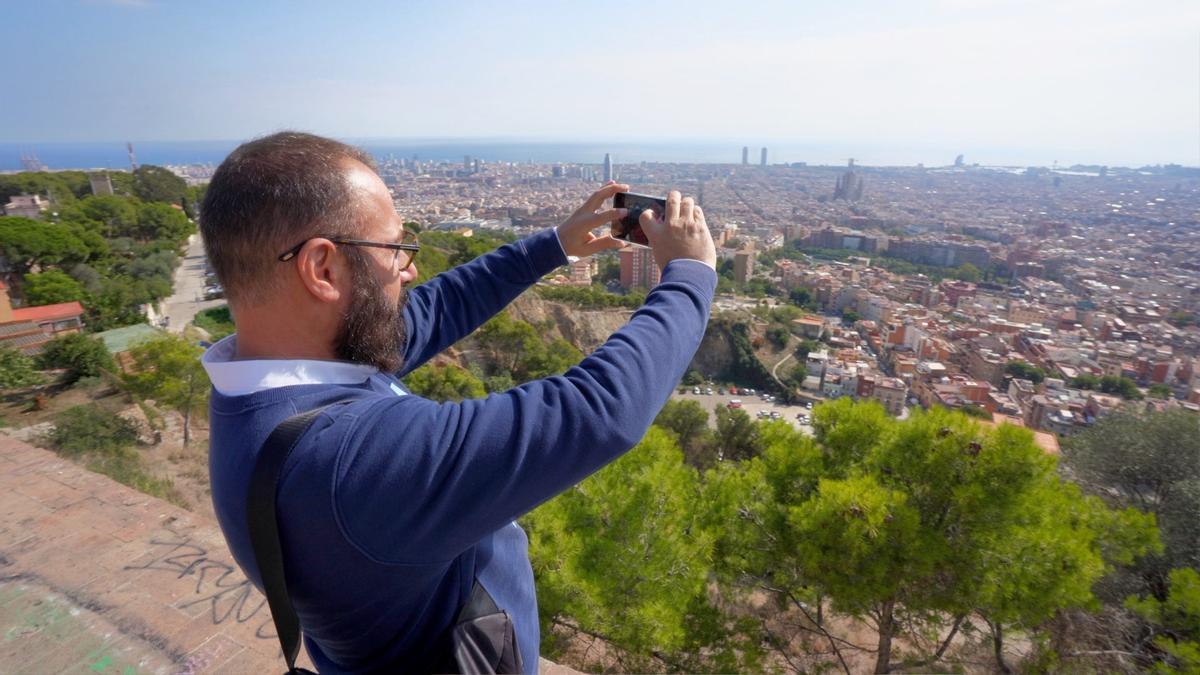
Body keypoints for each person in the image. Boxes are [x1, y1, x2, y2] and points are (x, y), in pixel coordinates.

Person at [200, 131, 717, 673]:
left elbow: (436, 309)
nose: (410, 269)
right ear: (322, 269)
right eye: (395, 248)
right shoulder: (347, 461)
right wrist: (690, 276)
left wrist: (555, 244)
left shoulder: (271, 383)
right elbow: (597, 412)